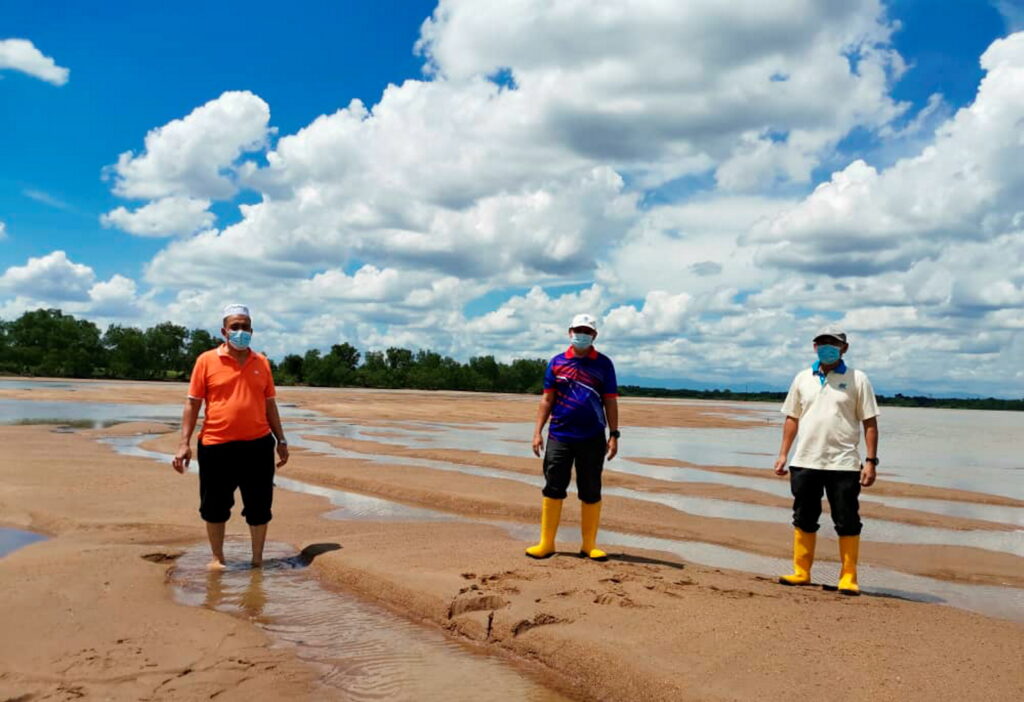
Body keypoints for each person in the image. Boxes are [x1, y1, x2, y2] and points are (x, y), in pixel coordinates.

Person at [172, 304, 289, 569]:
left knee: (259, 507)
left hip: (258, 446)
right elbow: (192, 403)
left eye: (245, 327)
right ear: (224, 331)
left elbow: (270, 404)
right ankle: (218, 559)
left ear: (252, 330)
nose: (240, 331)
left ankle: (257, 560)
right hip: (216, 445)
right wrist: (183, 444)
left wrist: (281, 440)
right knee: (214, 506)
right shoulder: (206, 360)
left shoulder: (262, 363)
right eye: (234, 327)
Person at [773, 325, 879, 595]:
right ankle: (801, 572)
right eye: (821, 342)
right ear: (814, 347)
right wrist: (783, 453)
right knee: (804, 516)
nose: (826, 347)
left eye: (832, 343)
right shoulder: (802, 378)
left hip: (842, 463)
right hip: (805, 461)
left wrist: (870, 461)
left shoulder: (858, 379)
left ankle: (848, 577)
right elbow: (791, 418)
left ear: (844, 348)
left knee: (847, 520)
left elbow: (869, 422)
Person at [527, 313, 619, 561]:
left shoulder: (604, 364)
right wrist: (537, 433)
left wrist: (614, 434)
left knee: (591, 489)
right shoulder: (556, 362)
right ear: (569, 332)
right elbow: (547, 399)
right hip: (560, 435)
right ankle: (546, 543)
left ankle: (589, 545)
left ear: (594, 336)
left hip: (592, 437)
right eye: (578, 330)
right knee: (553, 486)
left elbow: (610, 401)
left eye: (587, 331)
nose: (582, 334)